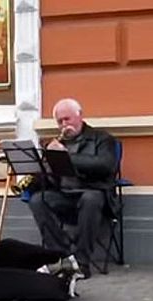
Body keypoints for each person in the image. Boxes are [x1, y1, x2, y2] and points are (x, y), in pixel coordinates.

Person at [28, 98, 118, 279]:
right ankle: (61, 255)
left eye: (67, 119)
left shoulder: (102, 138)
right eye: (60, 122)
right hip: (65, 195)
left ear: (80, 116)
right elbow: (50, 179)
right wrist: (40, 171)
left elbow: (107, 166)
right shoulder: (57, 144)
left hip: (94, 193)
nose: (64, 125)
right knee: (38, 200)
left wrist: (67, 155)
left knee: (90, 199)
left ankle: (81, 262)